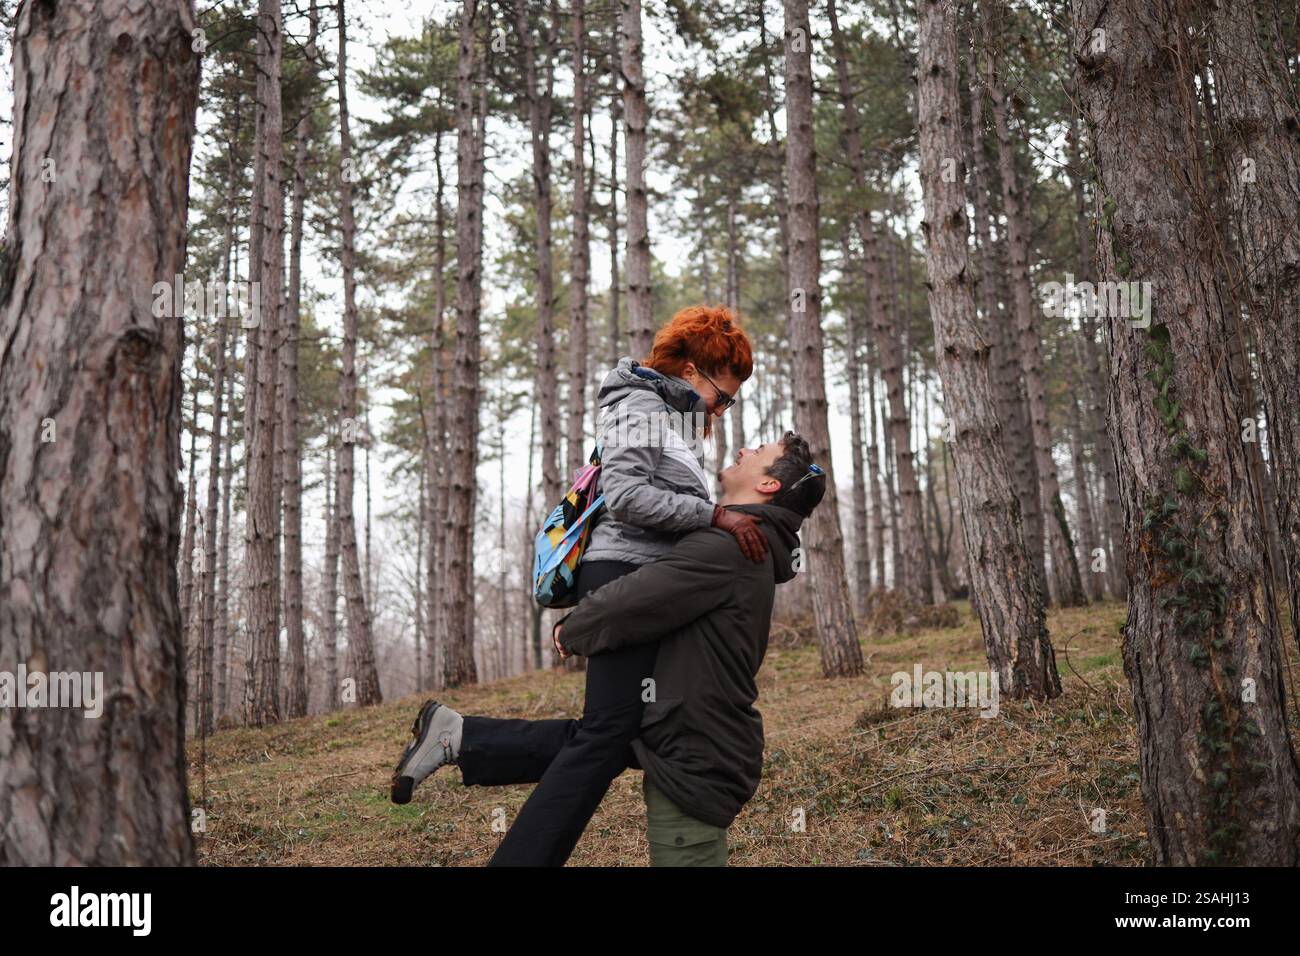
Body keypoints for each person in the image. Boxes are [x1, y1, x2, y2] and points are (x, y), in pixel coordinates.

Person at [391, 305, 764, 867]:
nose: (723, 407)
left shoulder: (673, 418)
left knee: (628, 732)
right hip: (622, 574)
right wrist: (713, 517)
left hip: (645, 582)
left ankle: (460, 738)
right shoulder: (639, 406)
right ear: (692, 372)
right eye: (724, 394)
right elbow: (630, 498)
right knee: (609, 737)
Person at [390, 432, 826, 867]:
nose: (745, 450)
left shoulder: (730, 546)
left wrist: (573, 630)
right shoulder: (744, 545)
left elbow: (637, 600)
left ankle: (461, 738)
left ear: (768, 485)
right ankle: (461, 737)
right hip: (699, 744)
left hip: (697, 757)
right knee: (606, 737)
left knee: (607, 739)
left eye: (759, 452)